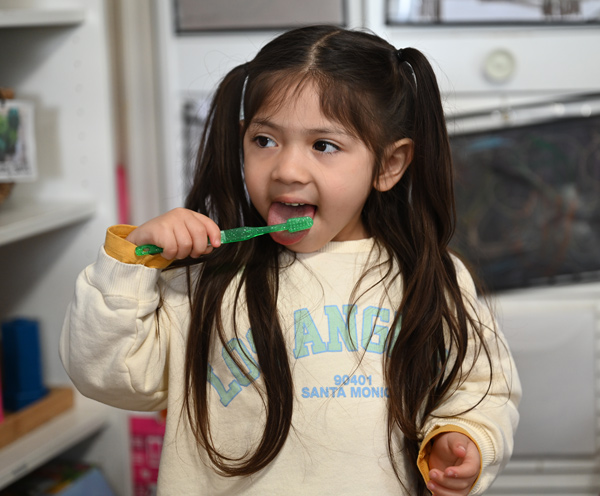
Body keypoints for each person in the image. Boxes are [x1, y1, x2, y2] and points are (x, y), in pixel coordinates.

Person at [60, 25, 520, 496]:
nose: (286, 170)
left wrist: (463, 438)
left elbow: (483, 389)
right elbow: (105, 376)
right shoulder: (205, 279)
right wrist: (131, 261)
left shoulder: (430, 277)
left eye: (324, 146)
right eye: (265, 140)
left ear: (388, 165)